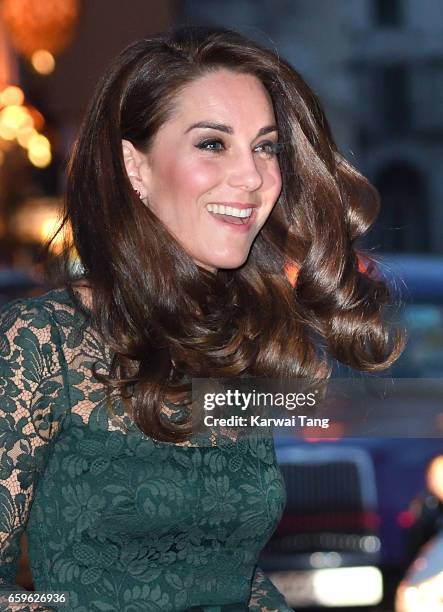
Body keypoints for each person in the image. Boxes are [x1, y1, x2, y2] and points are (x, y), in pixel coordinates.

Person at [0, 25, 404, 611]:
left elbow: (230, 577)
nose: (252, 177)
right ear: (135, 167)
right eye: (212, 143)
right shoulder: (43, 343)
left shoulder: (237, 339)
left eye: (265, 146)